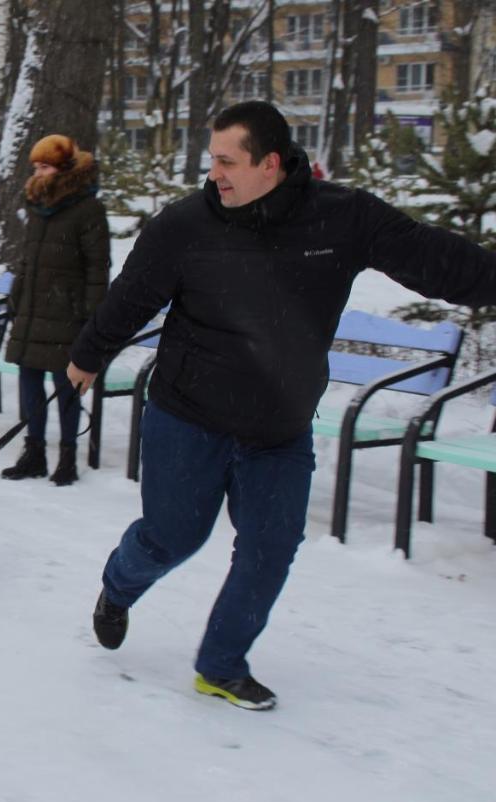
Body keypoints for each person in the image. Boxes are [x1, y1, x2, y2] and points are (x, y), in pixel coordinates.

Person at [66, 101, 496, 711]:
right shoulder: (184, 225)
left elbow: (437, 261)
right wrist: (86, 357)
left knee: (271, 546)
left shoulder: (343, 219)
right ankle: (119, 585)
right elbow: (130, 297)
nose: (214, 173)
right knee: (172, 537)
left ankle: (220, 664)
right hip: (190, 413)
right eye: (211, 159)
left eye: (226, 160)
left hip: (278, 423)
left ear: (270, 163)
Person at [0, 134, 109, 486]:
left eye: (44, 167)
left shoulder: (88, 208)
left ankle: (67, 458)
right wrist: (16, 296)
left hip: (68, 311)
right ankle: (34, 454)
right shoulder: (38, 204)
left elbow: (97, 266)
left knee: (66, 385)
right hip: (33, 308)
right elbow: (28, 259)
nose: (38, 173)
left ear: (63, 169)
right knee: (28, 378)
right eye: (36, 167)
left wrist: (93, 316)